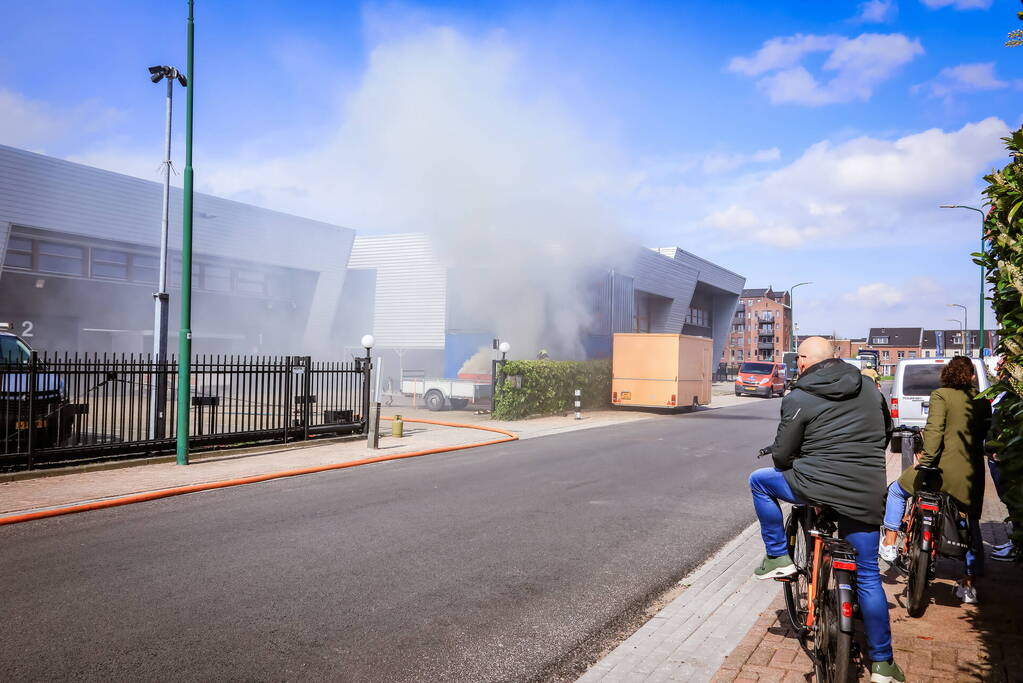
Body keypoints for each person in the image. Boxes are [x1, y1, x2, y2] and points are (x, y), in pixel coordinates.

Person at [749, 337, 902, 683]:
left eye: (799, 358)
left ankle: (778, 557)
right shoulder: (869, 389)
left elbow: (782, 455)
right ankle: (883, 665)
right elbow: (885, 433)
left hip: (814, 485)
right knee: (867, 576)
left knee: (759, 481)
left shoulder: (798, 396)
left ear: (803, 360)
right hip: (865, 492)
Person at [878, 355, 992, 602]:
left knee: (897, 491)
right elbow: (984, 433)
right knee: (970, 523)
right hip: (970, 474)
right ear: (971, 376)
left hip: (939, 471)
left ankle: (889, 543)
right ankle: (969, 585)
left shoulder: (941, 395)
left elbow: (934, 431)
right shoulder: (982, 402)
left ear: (947, 375)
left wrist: (926, 462)